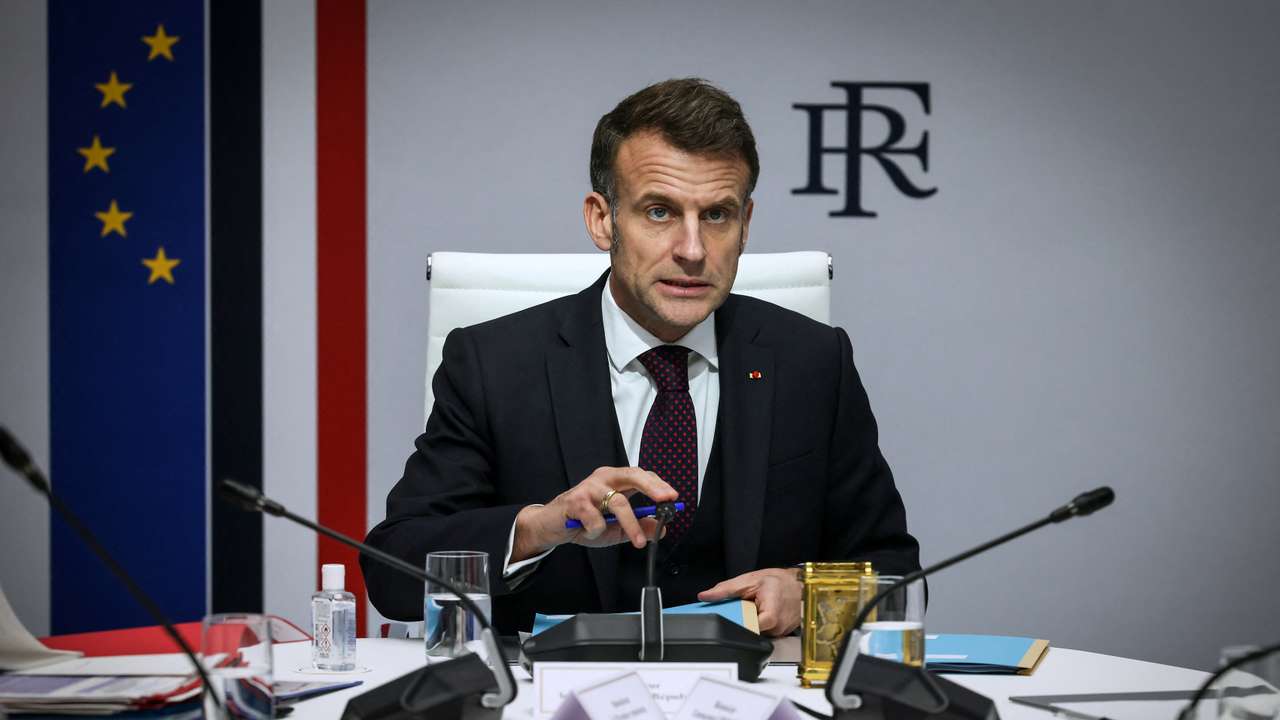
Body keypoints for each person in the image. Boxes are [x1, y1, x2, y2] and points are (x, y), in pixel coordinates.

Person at [363, 78, 919, 636]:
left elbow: (898, 577)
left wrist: (810, 594)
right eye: (659, 212)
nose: (693, 250)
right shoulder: (495, 365)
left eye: (717, 215)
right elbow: (393, 574)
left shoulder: (812, 362)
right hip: (551, 683)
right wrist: (538, 528)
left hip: (750, 681)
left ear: (746, 224)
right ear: (602, 219)